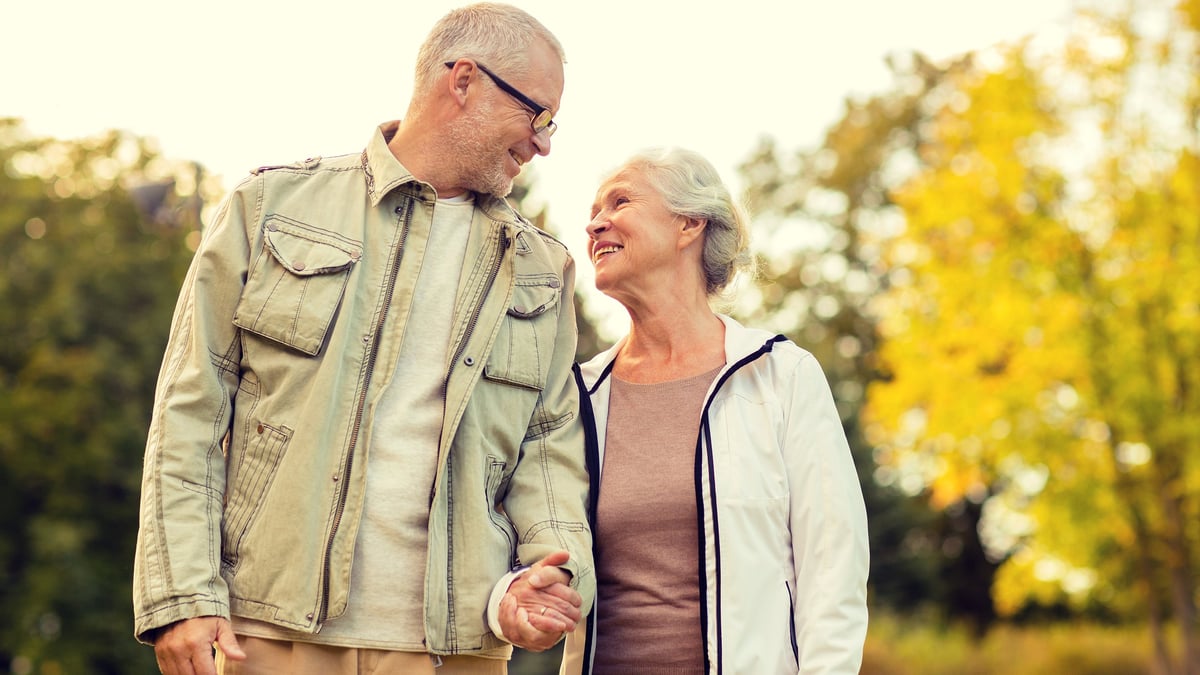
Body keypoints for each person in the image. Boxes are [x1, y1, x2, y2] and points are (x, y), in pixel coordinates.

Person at [132, 4, 594, 674]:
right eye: (538, 115)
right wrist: (181, 593)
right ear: (462, 80)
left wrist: (549, 575)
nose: (544, 143)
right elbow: (190, 412)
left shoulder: (543, 269)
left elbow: (548, 453)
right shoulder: (269, 209)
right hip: (265, 633)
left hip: (455, 648)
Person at [562, 148, 870, 674]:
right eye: (593, 211)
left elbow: (833, 571)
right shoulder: (578, 397)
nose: (595, 224)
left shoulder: (780, 376)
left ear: (689, 223)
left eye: (620, 201)